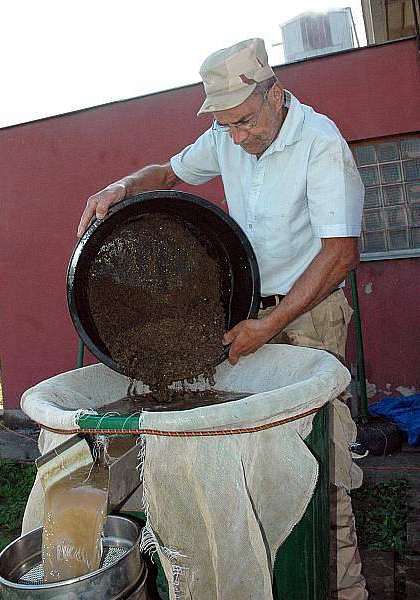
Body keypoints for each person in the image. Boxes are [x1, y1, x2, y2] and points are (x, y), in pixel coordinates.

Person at [78, 38, 367, 600]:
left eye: (243, 122)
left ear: (275, 95)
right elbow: (169, 172)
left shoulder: (320, 143)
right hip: (248, 312)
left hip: (311, 312)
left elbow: (340, 254)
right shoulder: (226, 136)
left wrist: (269, 325)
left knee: (318, 455)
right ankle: (265, 573)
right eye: (226, 125)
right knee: (247, 450)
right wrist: (119, 187)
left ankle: (345, 587)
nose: (235, 137)